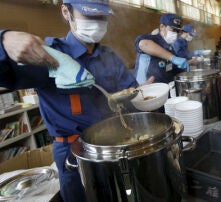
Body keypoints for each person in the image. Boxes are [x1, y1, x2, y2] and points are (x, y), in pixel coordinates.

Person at [0, 0, 149, 201]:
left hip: (114, 147)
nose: (96, 22)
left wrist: (142, 95)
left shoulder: (109, 56)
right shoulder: (47, 54)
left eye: (101, 16)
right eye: (89, 15)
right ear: (66, 12)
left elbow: (129, 96)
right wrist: (4, 40)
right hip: (73, 153)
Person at [134, 13, 189, 84]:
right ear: (162, 27)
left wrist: (182, 70)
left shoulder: (170, 48)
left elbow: (170, 69)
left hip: (163, 89)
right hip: (145, 88)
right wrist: (173, 58)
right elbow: (143, 44)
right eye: (173, 29)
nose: (175, 34)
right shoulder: (151, 39)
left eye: (177, 31)